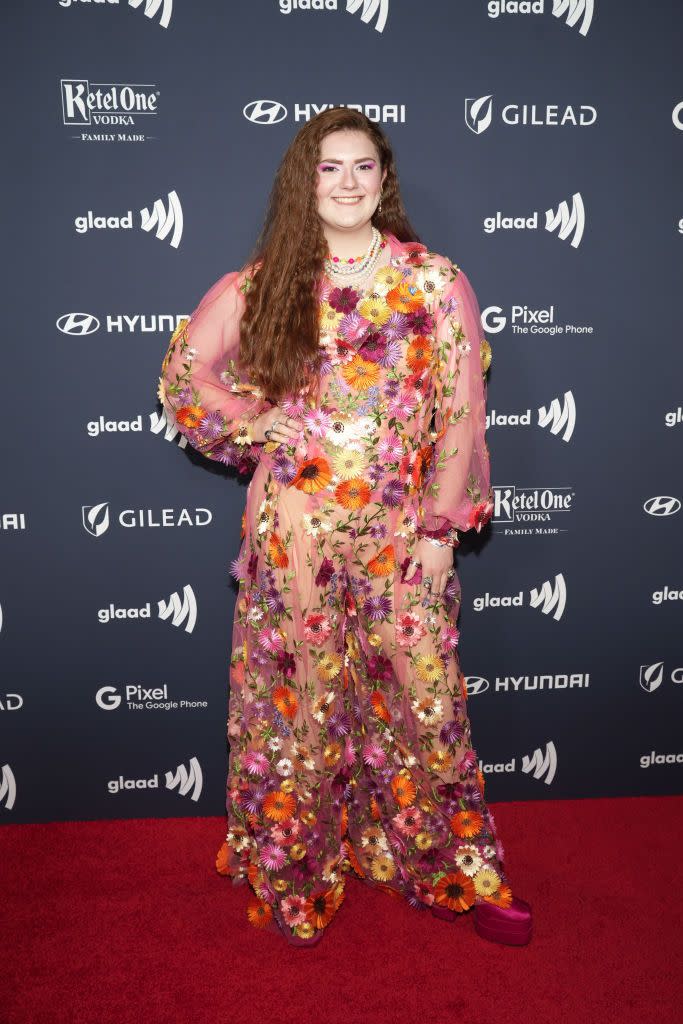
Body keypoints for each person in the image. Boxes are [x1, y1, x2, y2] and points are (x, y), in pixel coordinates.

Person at [158, 108, 532, 948]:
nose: (349, 182)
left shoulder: (433, 281)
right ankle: (298, 863)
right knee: (302, 703)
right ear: (306, 182)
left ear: (384, 178)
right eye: (330, 168)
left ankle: (462, 866)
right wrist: (257, 423)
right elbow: (185, 374)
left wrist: (442, 528)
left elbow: (461, 410)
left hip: (403, 530)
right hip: (296, 527)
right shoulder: (266, 282)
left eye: (363, 166)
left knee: (426, 698)